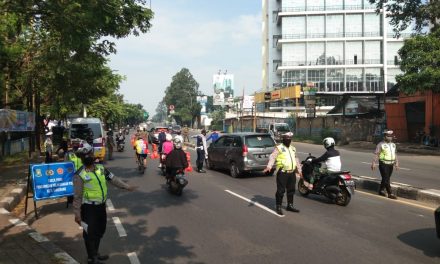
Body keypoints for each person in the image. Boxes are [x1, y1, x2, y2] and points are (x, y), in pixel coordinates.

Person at [73, 143, 136, 264]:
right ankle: (92, 258)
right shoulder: (79, 174)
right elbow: (77, 196)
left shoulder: (101, 169)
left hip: (101, 207)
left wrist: (127, 186)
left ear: (92, 154)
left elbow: (113, 179)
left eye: (89, 154)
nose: (88, 157)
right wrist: (77, 214)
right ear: (82, 158)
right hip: (88, 208)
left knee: (100, 230)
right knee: (90, 233)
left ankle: (95, 253)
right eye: (85, 155)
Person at [263, 132, 301, 215]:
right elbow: (272, 157)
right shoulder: (279, 148)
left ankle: (290, 205)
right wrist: (269, 166)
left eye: (290, 139)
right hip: (282, 173)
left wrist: (299, 171)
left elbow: (296, 160)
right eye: (287, 138)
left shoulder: (293, 148)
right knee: (281, 191)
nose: (288, 140)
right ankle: (278, 206)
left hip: (291, 173)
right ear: (283, 139)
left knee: (291, 190)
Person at [371, 130, 399, 199]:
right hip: (383, 164)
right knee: (386, 178)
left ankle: (381, 190)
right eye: (388, 136)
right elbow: (377, 154)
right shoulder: (381, 144)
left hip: (391, 164)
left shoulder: (393, 145)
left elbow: (395, 154)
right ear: (384, 137)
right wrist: (373, 163)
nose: (390, 137)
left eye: (391, 136)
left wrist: (397, 162)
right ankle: (390, 193)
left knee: (386, 178)